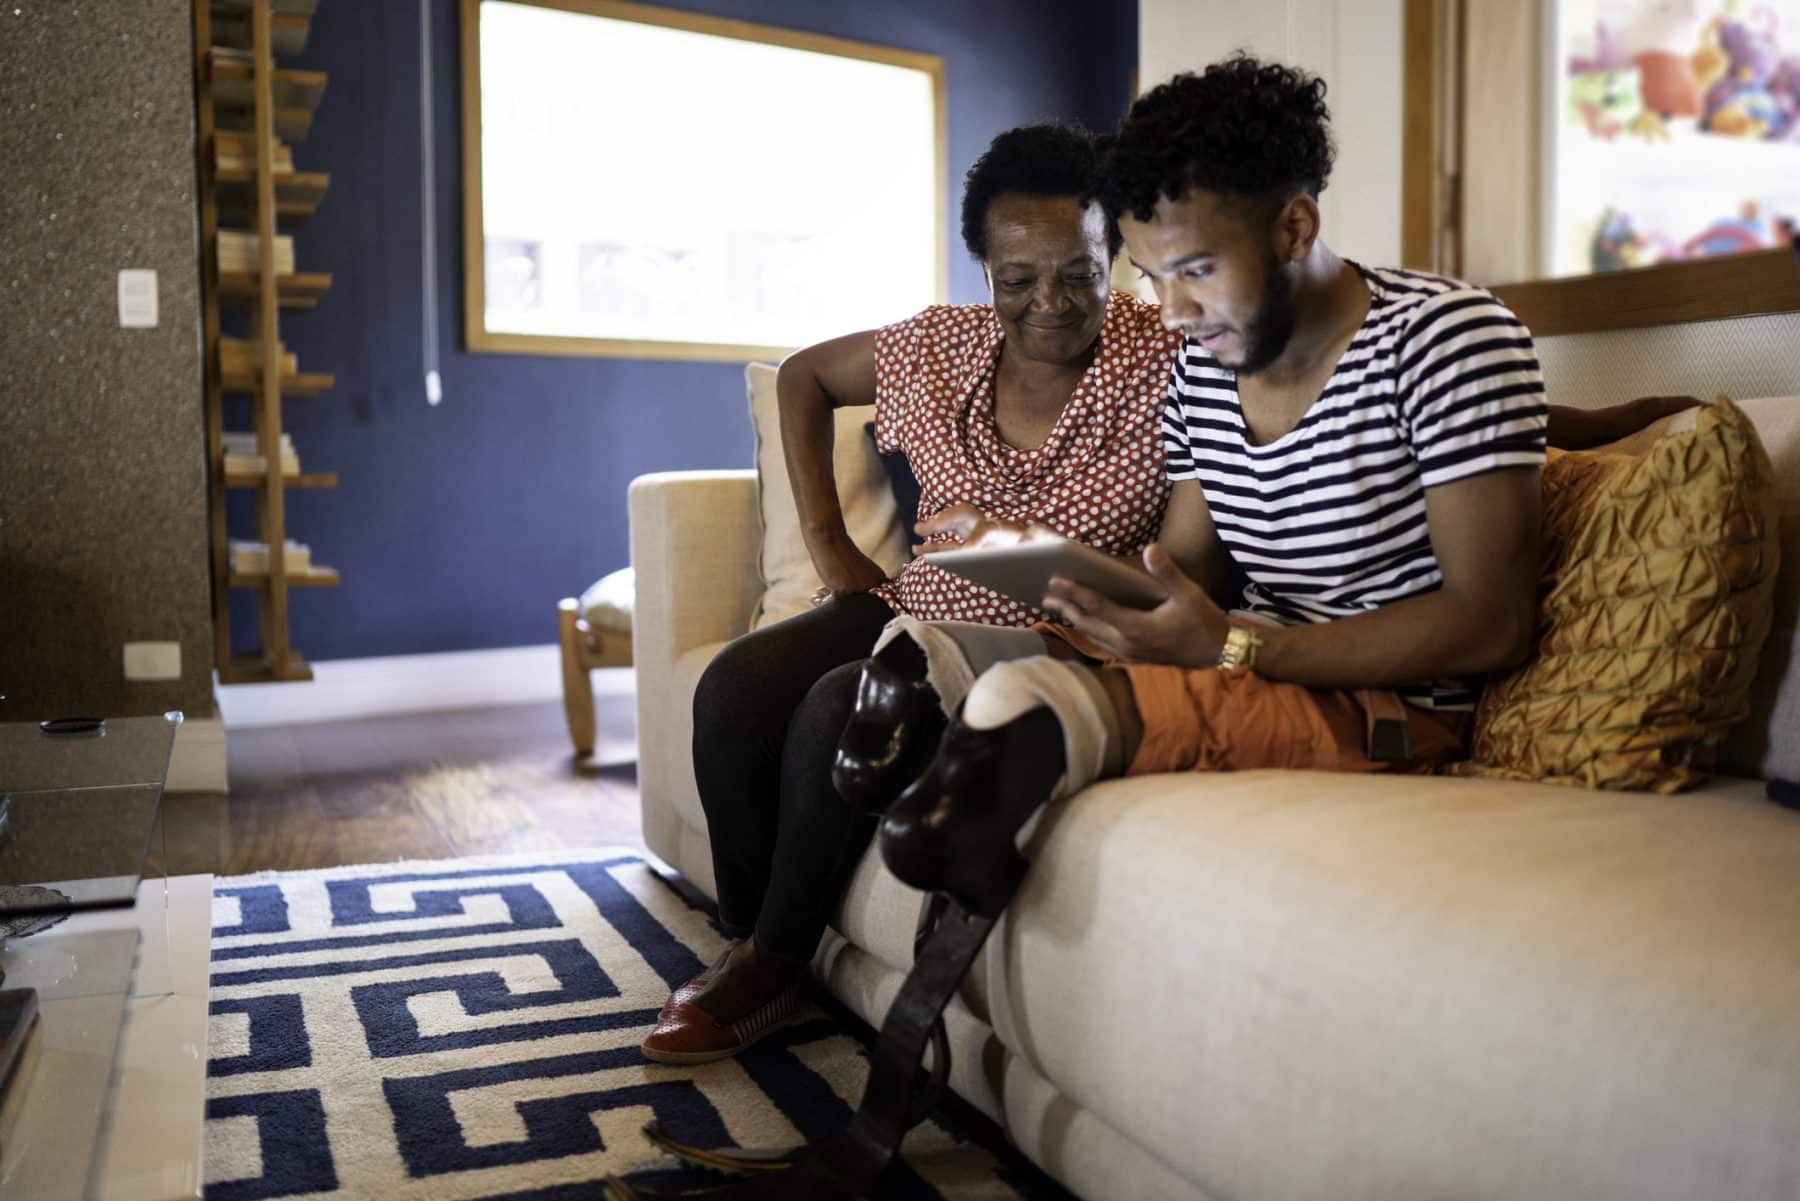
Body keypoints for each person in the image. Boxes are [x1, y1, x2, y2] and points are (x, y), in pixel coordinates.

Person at [870, 56, 1700, 903]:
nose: (1171, 314)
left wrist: (1235, 646)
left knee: (1019, 719)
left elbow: (1490, 624)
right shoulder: (1203, 369)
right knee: (926, 658)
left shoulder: (1448, 340)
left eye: (1194, 270)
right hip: (1253, 653)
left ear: (1295, 228)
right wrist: (1031, 557)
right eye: (1153, 277)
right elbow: (1185, 571)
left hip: (1387, 704)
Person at [639, 122, 1184, 1064]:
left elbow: (1175, 571)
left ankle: (769, 967)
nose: (1049, 303)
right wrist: (827, 540)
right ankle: (760, 936)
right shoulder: (942, 346)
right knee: (732, 692)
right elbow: (805, 375)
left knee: (832, 711)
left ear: (1116, 257)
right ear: (983, 269)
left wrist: (1004, 549)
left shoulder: (1168, 360)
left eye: (1079, 273)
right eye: (1017, 279)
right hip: (914, 599)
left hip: (1049, 634)